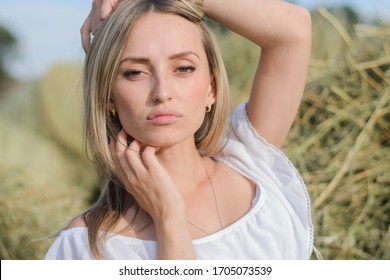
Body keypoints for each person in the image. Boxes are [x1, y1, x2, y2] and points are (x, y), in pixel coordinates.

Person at [45, 0, 313, 260]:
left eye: (183, 68)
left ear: (212, 89)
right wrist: (168, 217)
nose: (162, 92)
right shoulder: (84, 249)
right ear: (109, 97)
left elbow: (294, 30)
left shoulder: (250, 160)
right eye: (135, 72)